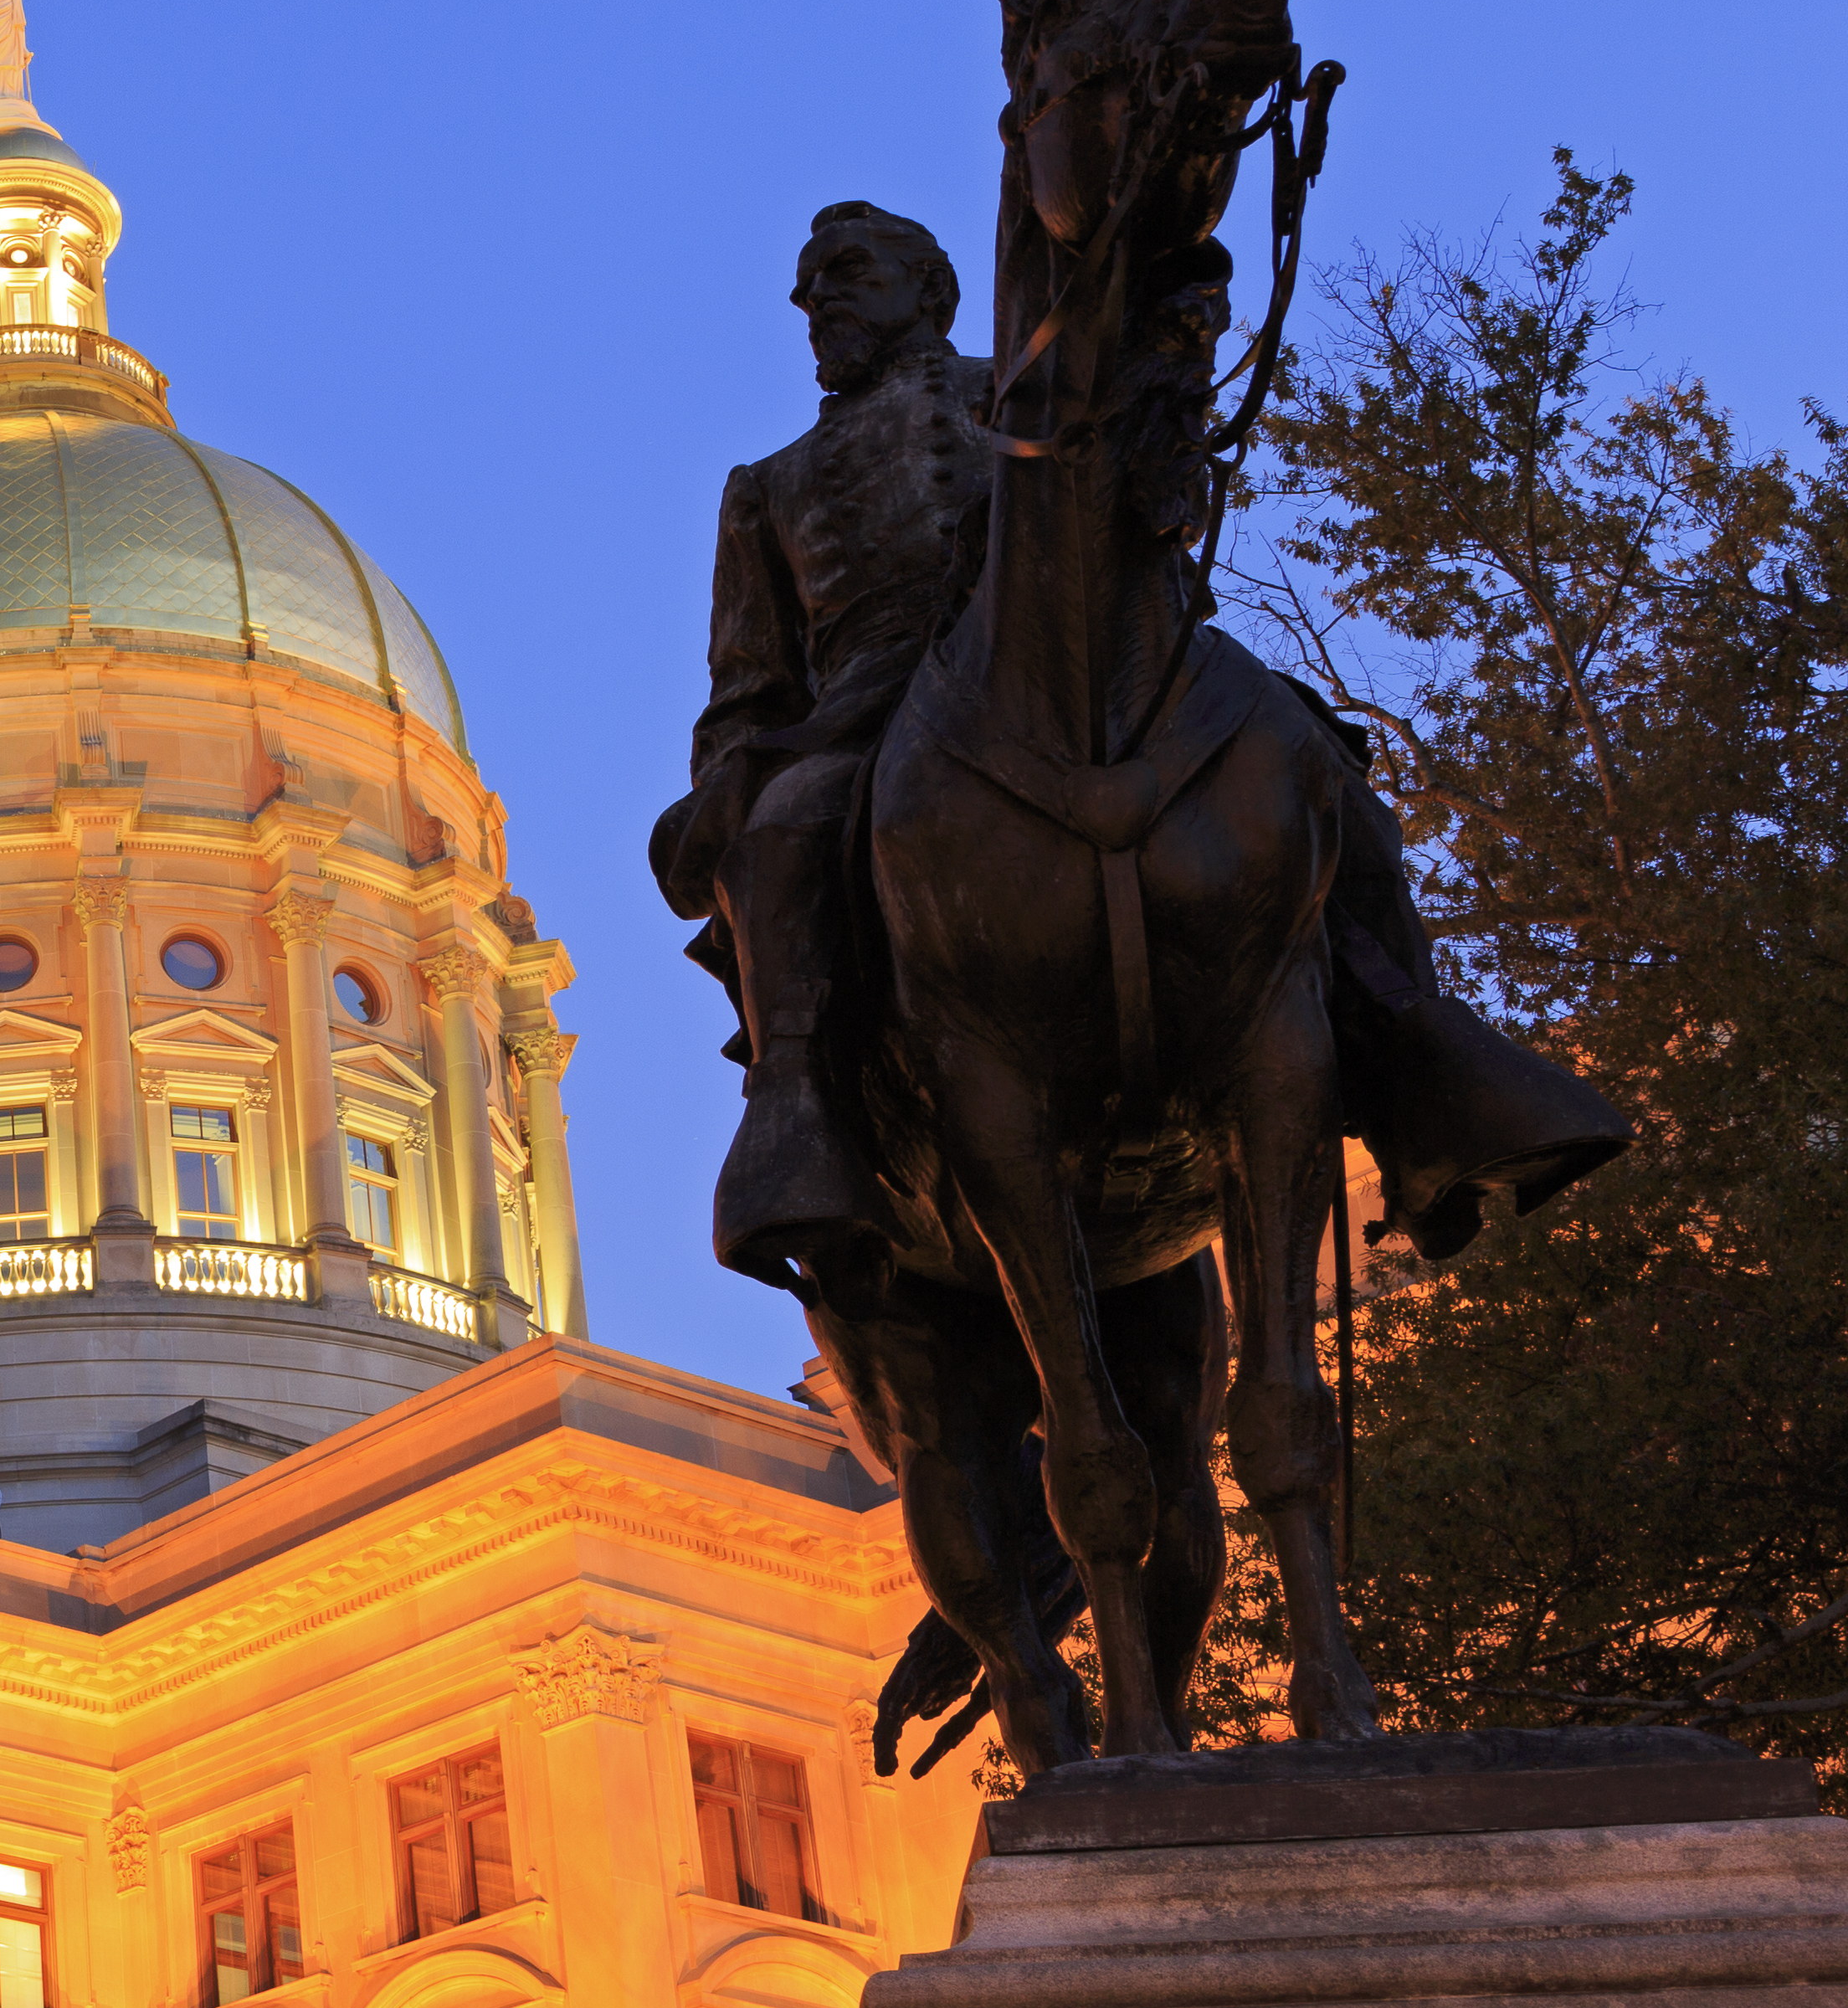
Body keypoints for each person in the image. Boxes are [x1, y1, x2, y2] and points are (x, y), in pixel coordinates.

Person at [653, 202, 1618, 1292]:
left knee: (1310, 756)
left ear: (931, 290)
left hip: (1082, 664)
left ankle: (1412, 1050)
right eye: (806, 285)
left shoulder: (1033, 396)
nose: (814, 297)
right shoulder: (767, 485)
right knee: (784, 830)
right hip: (871, 709)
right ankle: (795, 1108)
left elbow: (1152, 512)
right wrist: (727, 788)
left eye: (845, 270)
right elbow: (748, 687)